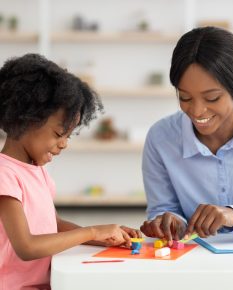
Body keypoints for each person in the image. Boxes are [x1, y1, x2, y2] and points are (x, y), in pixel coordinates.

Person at [0, 54, 141, 290]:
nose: (64, 144)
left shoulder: (36, 170)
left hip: (44, 282)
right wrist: (92, 231)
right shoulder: (5, 174)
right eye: (58, 134)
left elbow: (53, 225)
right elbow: (26, 247)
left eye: (68, 136)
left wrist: (104, 237)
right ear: (25, 120)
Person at [140, 26, 233, 246]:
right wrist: (168, 223)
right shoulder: (161, 138)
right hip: (194, 263)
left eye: (212, 98)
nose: (197, 111)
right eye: (185, 97)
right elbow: (162, 209)